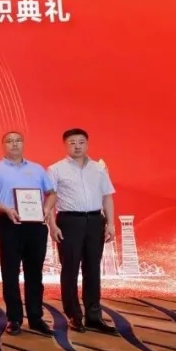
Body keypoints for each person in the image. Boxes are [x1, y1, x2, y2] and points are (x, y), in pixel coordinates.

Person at [0, 131, 57, 337]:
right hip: (9, 223)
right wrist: (5, 208)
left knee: (35, 273)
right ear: (3, 145)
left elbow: (52, 193)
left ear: (23, 144)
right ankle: (14, 318)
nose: (14, 144)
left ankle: (36, 317)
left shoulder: (37, 169)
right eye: (9, 141)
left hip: (36, 224)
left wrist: (47, 209)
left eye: (18, 141)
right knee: (10, 272)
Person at [47, 128, 118, 335]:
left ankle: (94, 316)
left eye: (81, 142)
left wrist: (110, 224)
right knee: (69, 269)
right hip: (69, 221)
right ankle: (74, 315)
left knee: (93, 269)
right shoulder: (55, 169)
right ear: (65, 145)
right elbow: (50, 199)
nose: (77, 146)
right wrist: (52, 225)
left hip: (95, 221)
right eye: (72, 142)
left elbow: (107, 196)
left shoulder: (98, 169)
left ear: (87, 144)